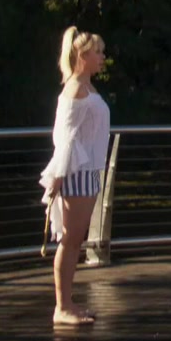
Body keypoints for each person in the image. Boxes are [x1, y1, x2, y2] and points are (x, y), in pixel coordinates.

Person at [39, 26, 110, 325]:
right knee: (70, 241)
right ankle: (62, 307)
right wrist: (57, 177)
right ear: (82, 55)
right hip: (76, 172)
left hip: (88, 170)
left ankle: (68, 303)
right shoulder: (74, 89)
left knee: (75, 241)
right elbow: (64, 137)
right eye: (98, 52)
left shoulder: (86, 87)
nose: (102, 57)